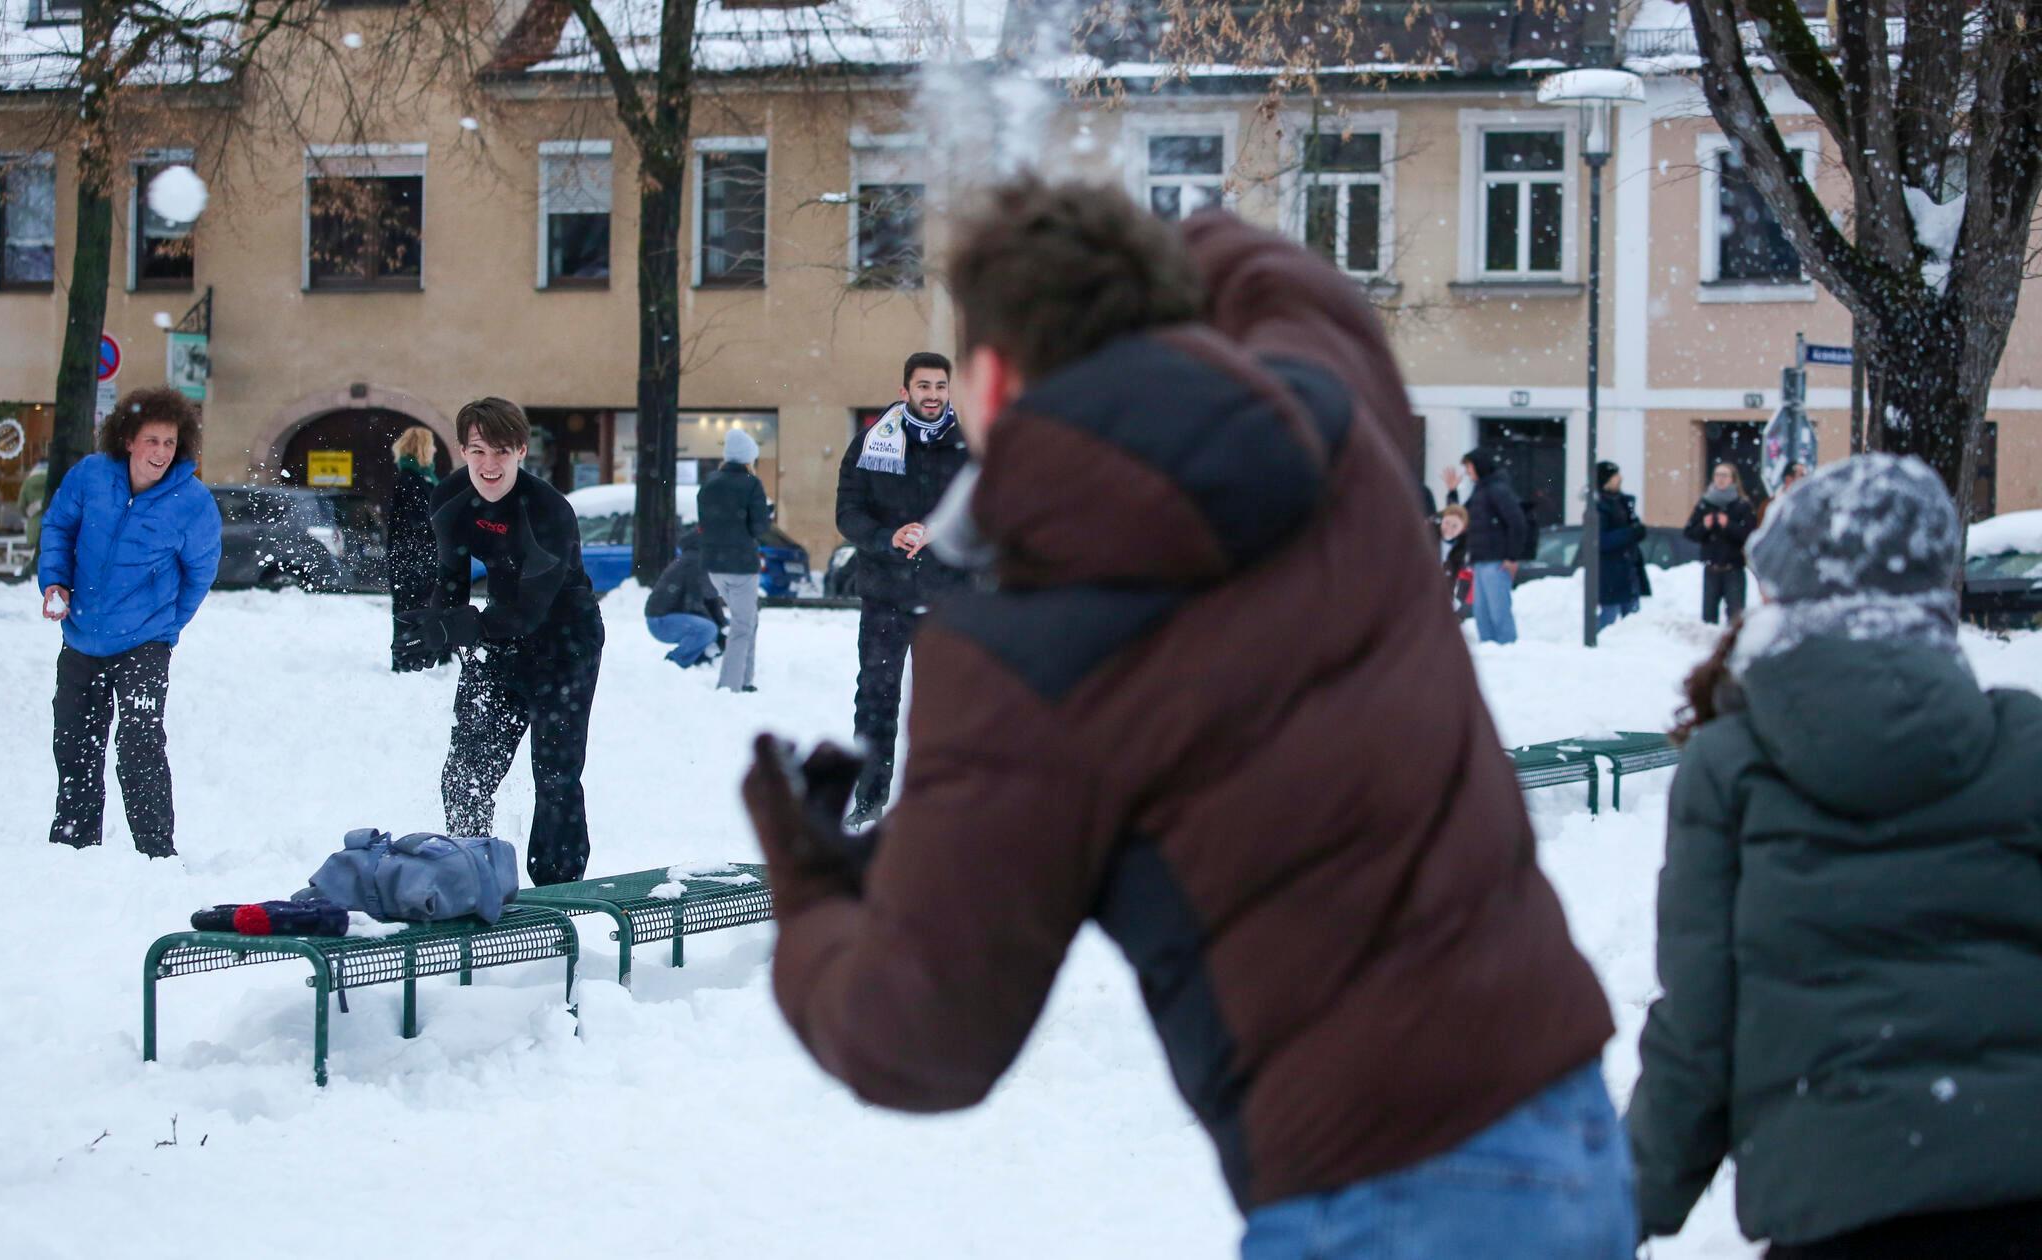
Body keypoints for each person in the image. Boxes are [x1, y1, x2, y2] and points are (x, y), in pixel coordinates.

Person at [742, 179, 1630, 1259]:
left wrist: (808, 898)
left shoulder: (1021, 654)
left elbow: (921, 1039)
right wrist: (1121, 253)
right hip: (1564, 1116)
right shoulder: (1329, 429)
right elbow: (1284, 278)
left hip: (1373, 1191)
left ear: (991, 380)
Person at [1629, 454, 2042, 1259]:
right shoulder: (2024, 744)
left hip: (1836, 1203)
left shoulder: (1733, 766)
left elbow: (1699, 1028)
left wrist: (1627, 1201)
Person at [397, 398, 603, 888]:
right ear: (463, 449)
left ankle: (559, 890)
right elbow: (453, 573)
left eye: (502, 452)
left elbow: (530, 611)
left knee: (555, 775)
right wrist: (435, 626)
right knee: (467, 771)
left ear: (521, 452)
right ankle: (469, 870)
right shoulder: (449, 497)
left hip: (564, 647)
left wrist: (463, 626)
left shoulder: (549, 511)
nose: (489, 466)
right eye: (478, 451)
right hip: (498, 646)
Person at [36, 388, 222, 858]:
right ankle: (73, 846)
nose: (161, 452)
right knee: (74, 743)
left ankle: (155, 853)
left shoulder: (193, 503)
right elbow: (58, 527)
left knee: (140, 746)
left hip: (144, 644)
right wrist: (55, 581)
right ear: (127, 440)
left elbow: (200, 572)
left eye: (170, 443)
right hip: (81, 639)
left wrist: (166, 627)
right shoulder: (91, 478)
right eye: (152, 440)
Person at [833, 350, 975, 825]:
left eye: (940, 386)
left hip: (949, 593)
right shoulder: (872, 443)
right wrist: (885, 538)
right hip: (886, 594)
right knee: (876, 697)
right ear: (904, 391)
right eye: (923, 387)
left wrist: (943, 531)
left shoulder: (969, 445)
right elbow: (848, 512)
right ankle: (869, 800)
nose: (932, 396)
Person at [697, 428, 771, 692]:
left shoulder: (709, 483)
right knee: (742, 625)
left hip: (714, 565)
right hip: (741, 566)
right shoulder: (752, 484)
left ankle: (746, 678)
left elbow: (704, 523)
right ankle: (730, 685)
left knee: (749, 619)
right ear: (748, 457)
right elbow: (760, 527)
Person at [1441, 448, 1528, 644]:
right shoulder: (1481, 490)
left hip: (1496, 561)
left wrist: (1511, 557)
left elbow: (1517, 522)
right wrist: (1452, 493)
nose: (1467, 471)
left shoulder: (1497, 490)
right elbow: (1462, 519)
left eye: (1469, 467)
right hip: (1480, 560)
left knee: (1498, 613)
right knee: (1482, 613)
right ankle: (1492, 653)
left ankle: (1509, 652)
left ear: (1480, 466)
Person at [387, 426, 447, 672]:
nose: (434, 450)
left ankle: (427, 657)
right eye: (431, 445)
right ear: (422, 448)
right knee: (409, 610)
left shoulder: (424, 478)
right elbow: (420, 520)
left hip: (421, 557)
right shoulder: (409, 479)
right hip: (411, 560)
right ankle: (406, 661)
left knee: (424, 607)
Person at [1683, 462, 1757, 624]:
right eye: (1717, 475)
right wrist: (1704, 526)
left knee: (1736, 618)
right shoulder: (1705, 503)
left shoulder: (1742, 505)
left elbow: (1750, 535)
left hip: (1733, 569)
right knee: (1708, 618)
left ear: (1733, 479)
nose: (1720, 479)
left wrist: (1728, 525)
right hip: (1711, 568)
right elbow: (1689, 532)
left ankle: (1733, 649)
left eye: (1724, 475)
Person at [646, 531, 727, 669]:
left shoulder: (698, 559)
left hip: (673, 617)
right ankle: (674, 662)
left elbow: (710, 599)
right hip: (661, 621)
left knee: (715, 626)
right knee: (707, 629)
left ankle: (699, 656)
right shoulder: (694, 562)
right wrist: (718, 633)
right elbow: (693, 603)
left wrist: (723, 625)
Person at [1595, 460, 1649, 629]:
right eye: (1615, 475)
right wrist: (1630, 533)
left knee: (1632, 621)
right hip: (1611, 572)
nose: (1620, 478)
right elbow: (1601, 541)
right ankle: (1595, 647)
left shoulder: (1624, 502)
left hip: (1629, 568)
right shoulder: (1600, 507)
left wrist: (1636, 531)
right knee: (1609, 618)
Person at [1438, 503, 1472, 612]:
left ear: (1463, 529)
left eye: (1455, 526)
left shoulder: (1463, 549)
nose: (1449, 528)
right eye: (1447, 523)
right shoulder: (1426, 536)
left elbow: (1461, 577)